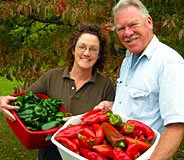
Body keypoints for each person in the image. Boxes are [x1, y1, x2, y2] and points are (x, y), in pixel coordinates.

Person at [0, 23, 115, 160]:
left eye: (93, 49)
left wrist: (81, 122)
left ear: (99, 54)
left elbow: (109, 124)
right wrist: (2, 100)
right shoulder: (52, 76)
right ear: (73, 49)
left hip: (83, 154)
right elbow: (23, 99)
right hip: (49, 153)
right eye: (82, 47)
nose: (86, 53)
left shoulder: (105, 85)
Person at [96, 0, 184, 159]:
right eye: (121, 28)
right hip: (119, 152)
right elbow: (139, 106)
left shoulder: (169, 63)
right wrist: (112, 106)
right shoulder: (128, 60)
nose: (127, 33)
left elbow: (176, 127)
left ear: (149, 22)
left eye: (133, 25)